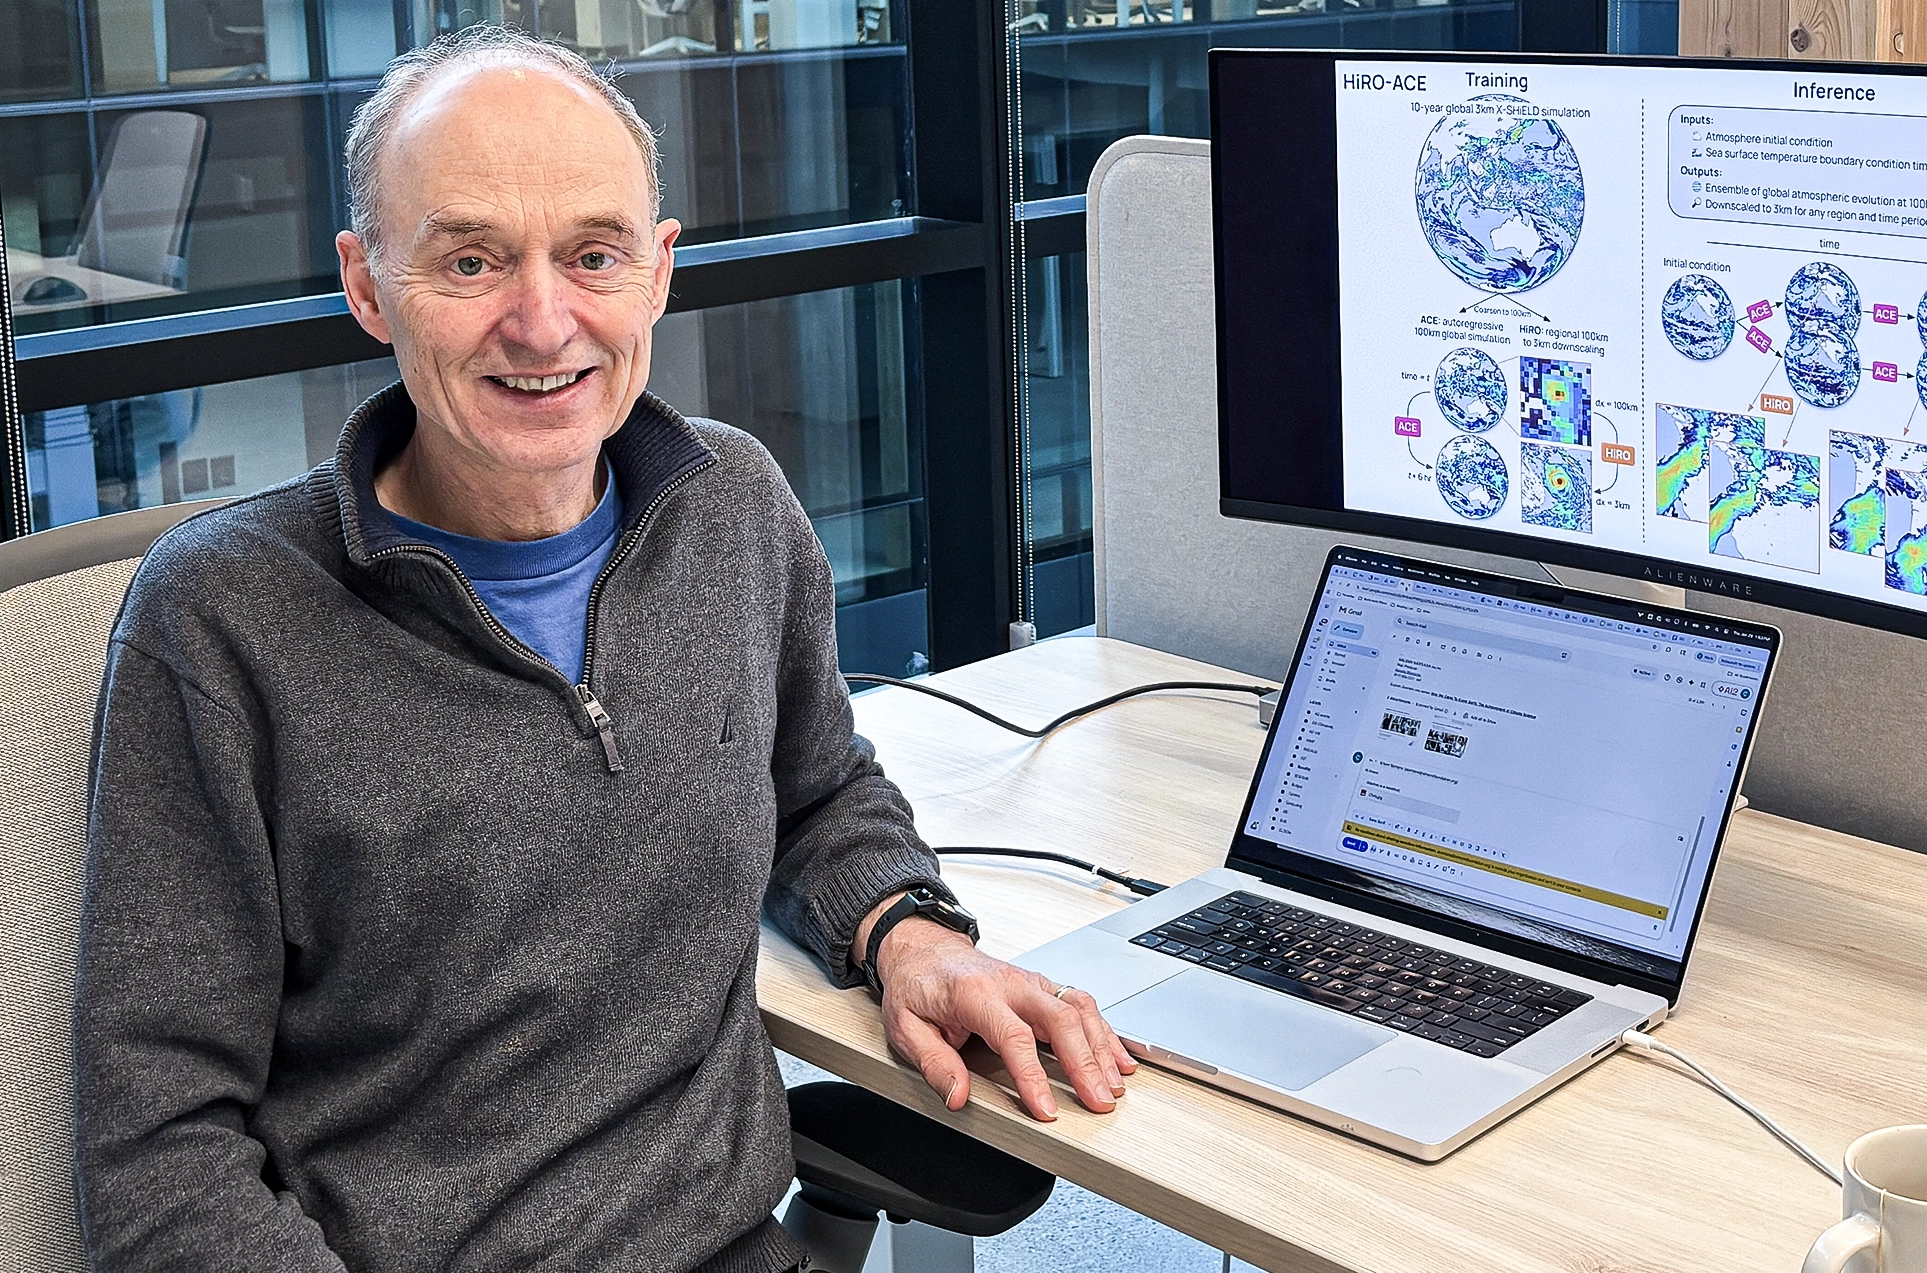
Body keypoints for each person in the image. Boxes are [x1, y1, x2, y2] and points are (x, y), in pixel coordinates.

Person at [73, 26, 1132, 1273]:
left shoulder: (734, 507)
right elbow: (159, 1153)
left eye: (592, 255)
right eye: (469, 260)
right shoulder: (224, 618)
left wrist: (907, 932)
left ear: (658, 273)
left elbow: (817, 786)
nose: (541, 320)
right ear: (368, 286)